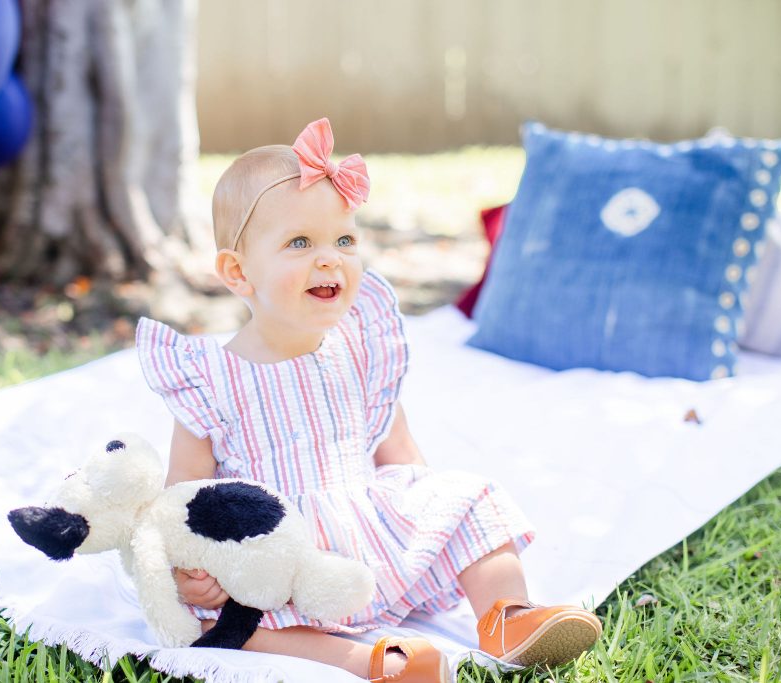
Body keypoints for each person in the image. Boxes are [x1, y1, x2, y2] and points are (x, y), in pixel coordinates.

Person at [136, 118, 602, 681]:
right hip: (284, 557)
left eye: (345, 240)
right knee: (230, 623)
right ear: (239, 272)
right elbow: (183, 502)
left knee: (468, 497)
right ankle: (370, 662)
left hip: (370, 545)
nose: (330, 258)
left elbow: (401, 454)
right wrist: (192, 572)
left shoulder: (360, 350)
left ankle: (507, 616)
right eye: (300, 242)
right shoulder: (211, 381)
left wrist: (427, 527)